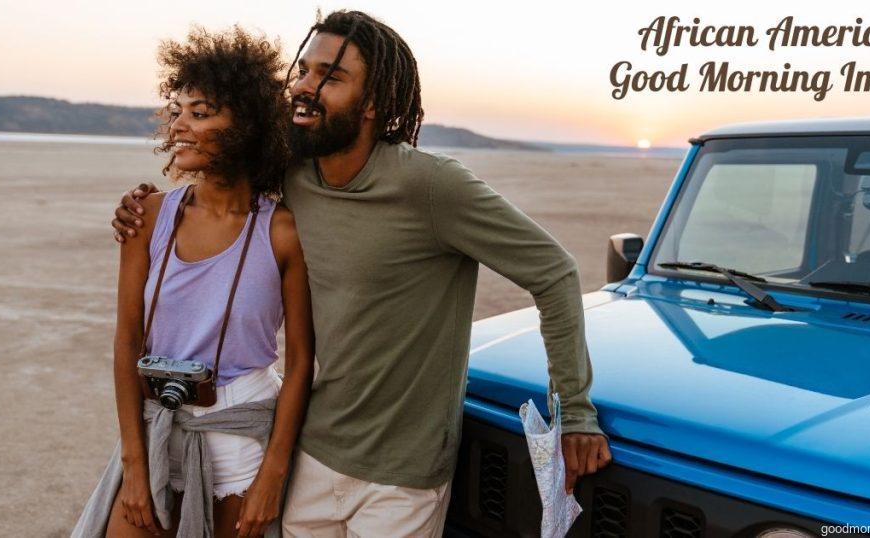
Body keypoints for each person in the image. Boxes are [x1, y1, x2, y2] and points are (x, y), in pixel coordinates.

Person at [111, 11, 610, 537]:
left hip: (402, 479)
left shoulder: (433, 187)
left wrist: (575, 412)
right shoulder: (293, 178)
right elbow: (226, 164)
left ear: (371, 104)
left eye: (330, 76)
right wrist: (141, 204)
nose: (305, 86)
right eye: (303, 70)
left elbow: (554, 271)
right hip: (315, 452)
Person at [79, 26, 314, 538]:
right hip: (156, 428)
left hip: (239, 438)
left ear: (246, 125)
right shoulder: (148, 216)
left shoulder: (283, 232)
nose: (178, 126)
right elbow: (126, 340)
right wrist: (135, 466)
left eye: (200, 113)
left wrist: (273, 474)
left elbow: (299, 364)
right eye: (177, 110)